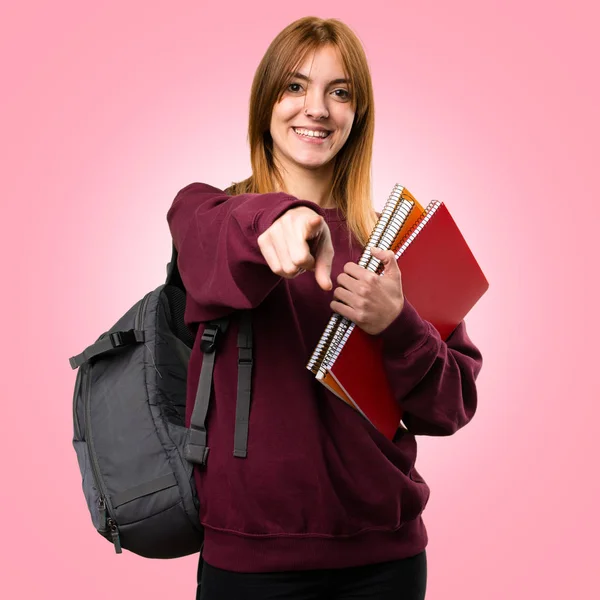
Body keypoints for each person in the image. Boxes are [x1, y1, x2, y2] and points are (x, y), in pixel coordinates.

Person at [166, 15, 482, 600]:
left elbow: (452, 407)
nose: (316, 108)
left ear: (357, 116)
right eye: (294, 86)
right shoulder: (207, 215)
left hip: (386, 559)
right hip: (248, 559)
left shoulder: (399, 243)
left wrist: (397, 324)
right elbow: (214, 231)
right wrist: (278, 216)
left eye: (340, 92)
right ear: (265, 101)